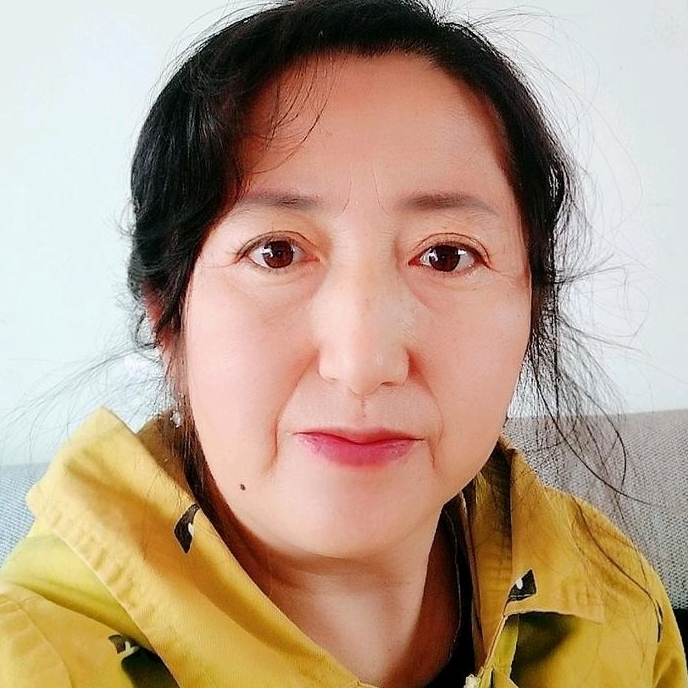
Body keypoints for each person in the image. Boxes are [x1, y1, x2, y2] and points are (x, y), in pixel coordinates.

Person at [0, 0, 685, 686]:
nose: (363, 363)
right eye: (276, 252)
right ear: (167, 317)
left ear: (531, 309)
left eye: (447, 256)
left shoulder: (616, 604)